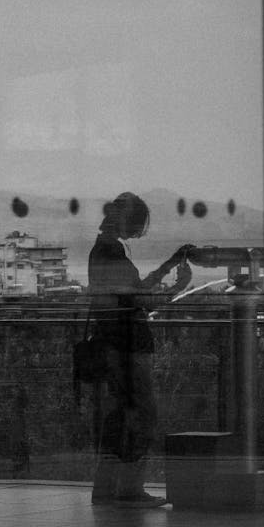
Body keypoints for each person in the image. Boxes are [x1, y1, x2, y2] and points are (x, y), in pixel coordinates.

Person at [88, 192, 193, 507]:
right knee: (142, 415)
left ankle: (106, 488)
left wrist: (170, 265)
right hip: (128, 345)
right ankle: (130, 489)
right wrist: (177, 286)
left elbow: (134, 293)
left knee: (119, 415)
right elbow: (143, 301)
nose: (137, 229)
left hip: (112, 342)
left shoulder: (103, 251)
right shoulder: (111, 251)